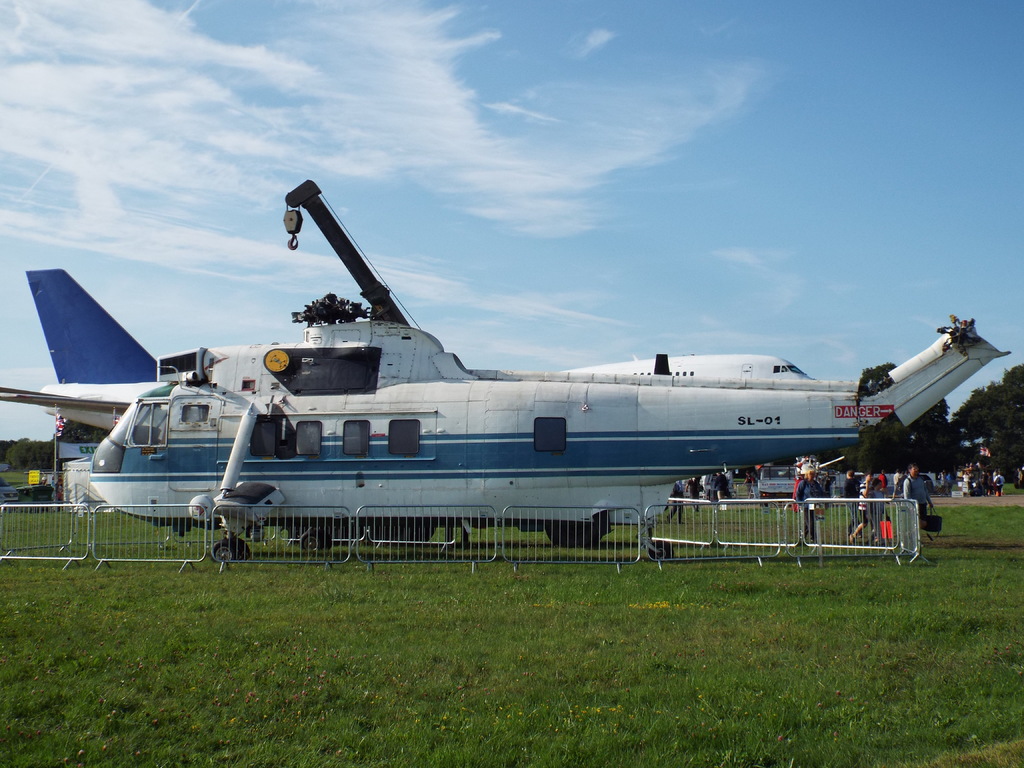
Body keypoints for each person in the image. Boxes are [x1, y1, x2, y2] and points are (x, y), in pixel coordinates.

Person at [795, 466, 826, 543]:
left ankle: (802, 538)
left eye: (813, 474)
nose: (813, 476)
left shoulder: (816, 484)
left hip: (815, 506)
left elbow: (821, 492)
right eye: (811, 474)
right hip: (806, 506)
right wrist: (800, 504)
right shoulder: (803, 483)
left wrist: (822, 501)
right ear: (807, 475)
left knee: (808, 523)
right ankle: (814, 538)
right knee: (810, 522)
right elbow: (798, 494)